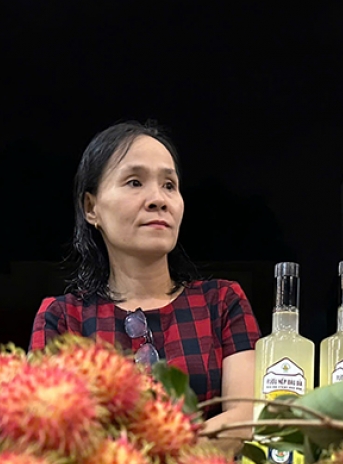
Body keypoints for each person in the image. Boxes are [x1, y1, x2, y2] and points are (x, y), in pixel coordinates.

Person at [30, 121, 260, 439]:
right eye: (135, 182)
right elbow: (46, 427)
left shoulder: (222, 302)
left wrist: (159, 458)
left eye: (169, 185)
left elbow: (245, 415)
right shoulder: (63, 318)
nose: (158, 199)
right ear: (91, 207)